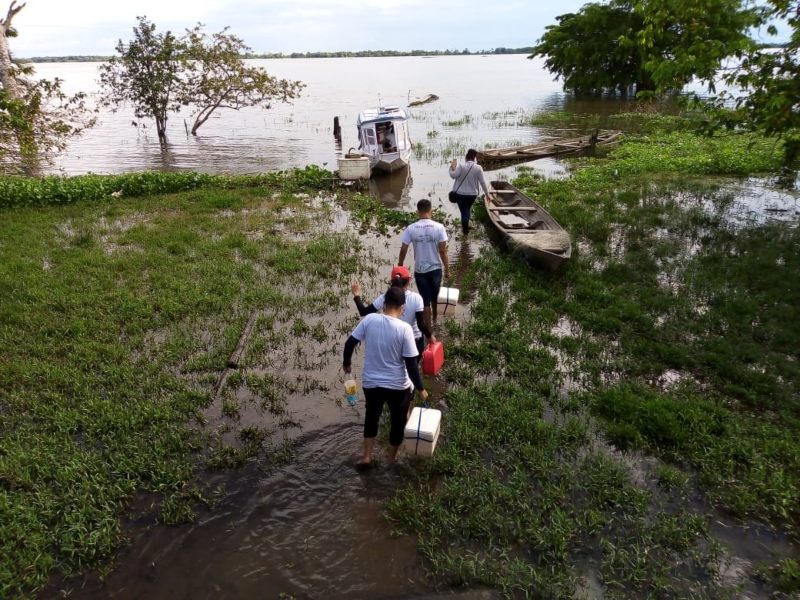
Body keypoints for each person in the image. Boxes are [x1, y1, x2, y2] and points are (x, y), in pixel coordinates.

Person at [343, 286, 428, 469]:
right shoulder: (405, 329)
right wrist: (421, 388)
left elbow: (350, 343)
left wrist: (347, 363)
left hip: (371, 384)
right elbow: (411, 365)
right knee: (398, 422)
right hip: (398, 387)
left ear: (384, 304)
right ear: (402, 307)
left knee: (371, 418)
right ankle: (391, 459)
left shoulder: (369, 320)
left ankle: (367, 456)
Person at [350, 265, 436, 359]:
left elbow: (363, 312)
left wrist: (356, 295)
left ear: (392, 281)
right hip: (415, 340)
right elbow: (420, 324)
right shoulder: (416, 298)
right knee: (412, 366)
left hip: (394, 341)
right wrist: (430, 336)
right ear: (408, 281)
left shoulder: (384, 297)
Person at [398, 199, 449, 327]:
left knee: (425, 300)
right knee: (435, 296)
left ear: (417, 212)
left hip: (420, 270)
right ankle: (435, 318)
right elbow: (443, 251)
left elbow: (403, 249)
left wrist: (400, 266)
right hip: (436, 269)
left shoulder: (411, 228)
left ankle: (428, 329)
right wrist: (448, 270)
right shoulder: (439, 227)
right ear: (431, 210)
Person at [448, 149, 493, 235]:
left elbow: (453, 175)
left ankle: (465, 231)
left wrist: (451, 168)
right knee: (467, 209)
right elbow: (483, 182)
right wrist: (487, 195)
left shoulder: (461, 166)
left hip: (460, 194)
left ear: (466, 157)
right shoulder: (478, 168)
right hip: (472, 195)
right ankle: (466, 227)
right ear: (474, 158)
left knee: (464, 211)